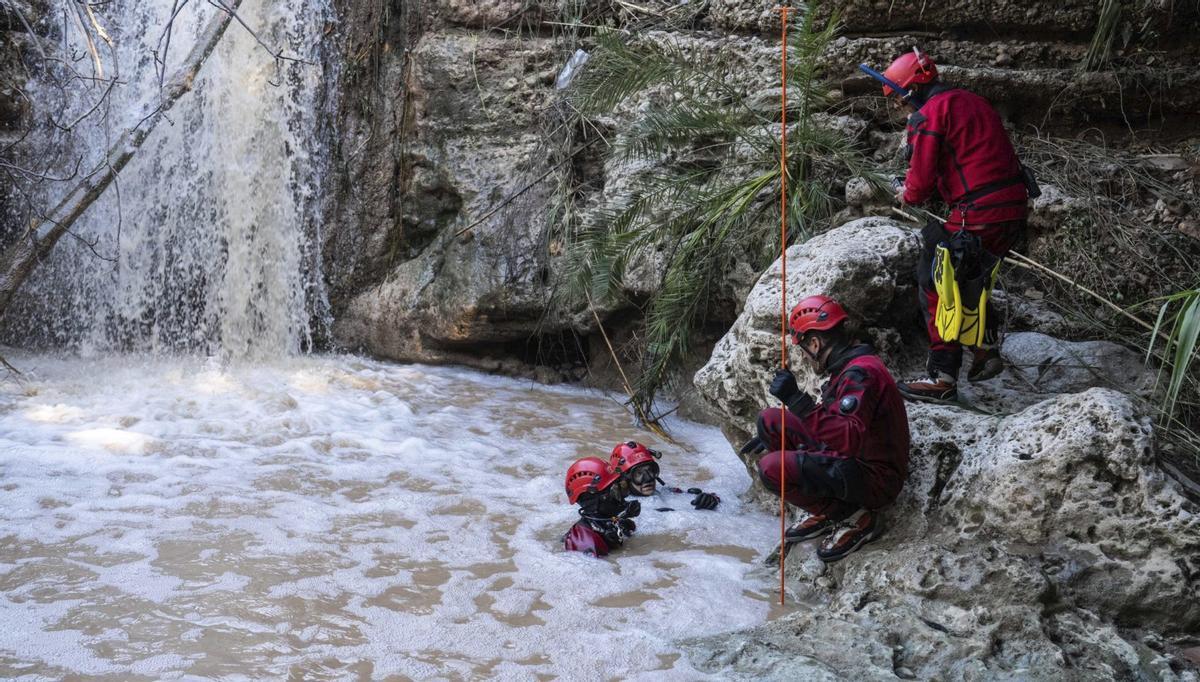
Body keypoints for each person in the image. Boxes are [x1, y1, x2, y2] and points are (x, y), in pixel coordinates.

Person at [867, 48, 1031, 403]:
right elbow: (968, 161)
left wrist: (904, 192)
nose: (896, 107)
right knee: (971, 277)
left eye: (896, 97)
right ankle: (985, 351)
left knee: (935, 280)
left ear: (910, 90)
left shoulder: (928, 116)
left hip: (979, 211)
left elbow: (919, 188)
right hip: (1013, 209)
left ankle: (941, 376)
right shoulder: (972, 101)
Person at [743, 295, 910, 563]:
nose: (806, 357)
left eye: (803, 350)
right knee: (770, 421)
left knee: (771, 469)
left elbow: (849, 438)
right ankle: (823, 505)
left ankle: (854, 516)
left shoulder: (861, 374)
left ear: (815, 343)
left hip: (875, 477)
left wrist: (798, 402)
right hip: (855, 457)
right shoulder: (850, 366)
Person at [562, 456, 640, 556]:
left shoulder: (614, 522)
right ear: (594, 497)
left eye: (621, 487)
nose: (622, 497)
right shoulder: (584, 542)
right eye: (615, 490)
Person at [608, 441, 721, 510]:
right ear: (624, 478)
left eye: (651, 471)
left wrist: (713, 499)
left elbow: (720, 499)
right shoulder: (619, 508)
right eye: (639, 474)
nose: (648, 479)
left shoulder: (667, 491)